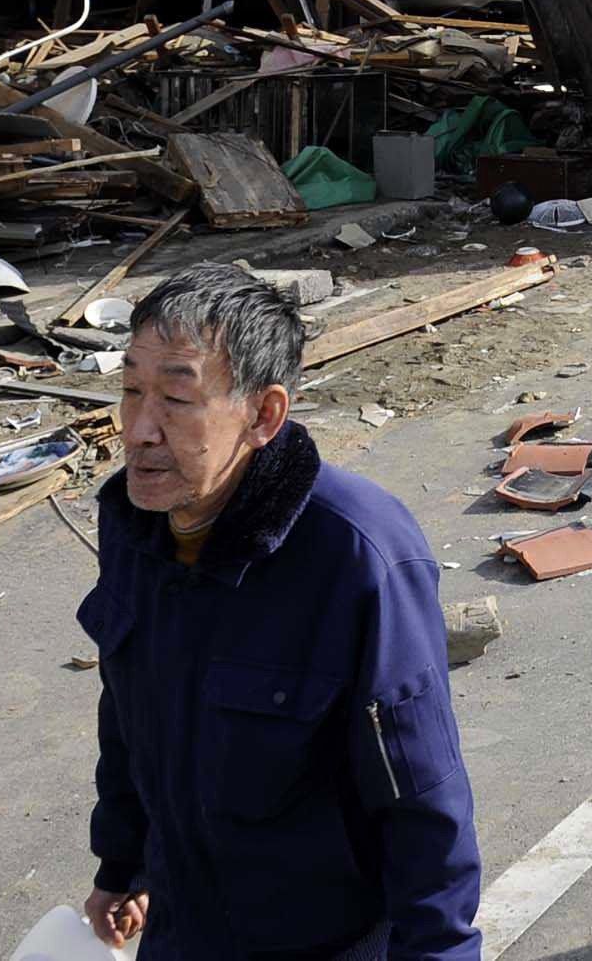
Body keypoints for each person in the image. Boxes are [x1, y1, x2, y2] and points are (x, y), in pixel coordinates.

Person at [78, 264, 481, 958]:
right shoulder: (135, 523)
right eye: (131, 391)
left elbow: (420, 797)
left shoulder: (356, 554)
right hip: (182, 926)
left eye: (176, 398)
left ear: (263, 416)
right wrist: (122, 862)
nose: (139, 429)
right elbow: (128, 709)